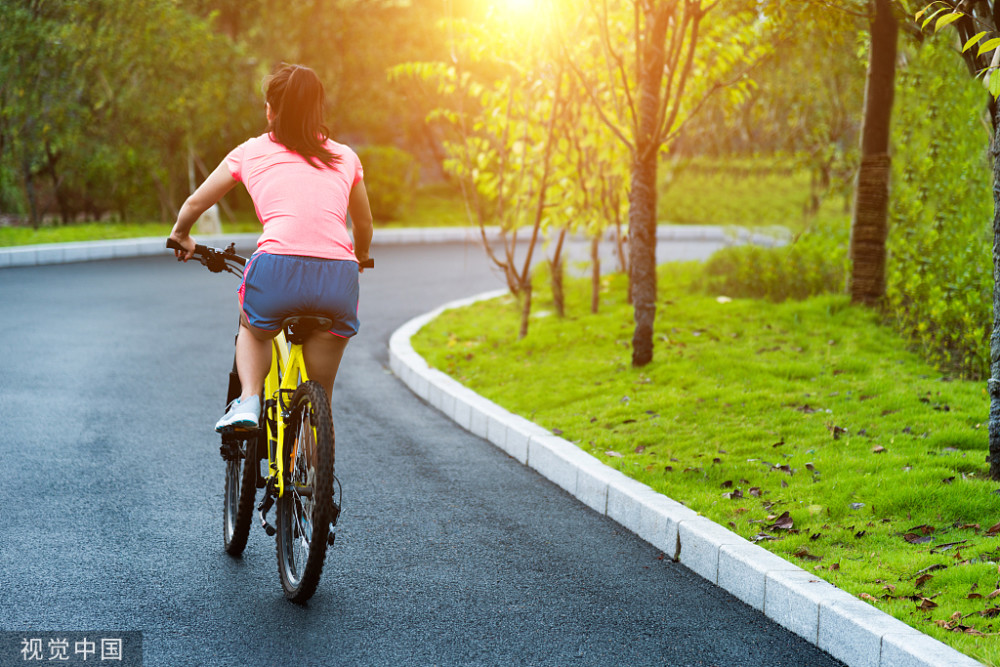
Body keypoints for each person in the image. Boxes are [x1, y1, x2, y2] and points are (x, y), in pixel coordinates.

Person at [168, 63, 373, 432]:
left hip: (277, 269)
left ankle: (248, 399)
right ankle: (313, 453)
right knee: (320, 395)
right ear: (318, 110)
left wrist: (182, 234)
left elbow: (195, 204)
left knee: (252, 327)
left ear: (270, 110)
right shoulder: (346, 157)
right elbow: (364, 224)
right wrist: (359, 257)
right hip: (338, 279)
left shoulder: (250, 152)